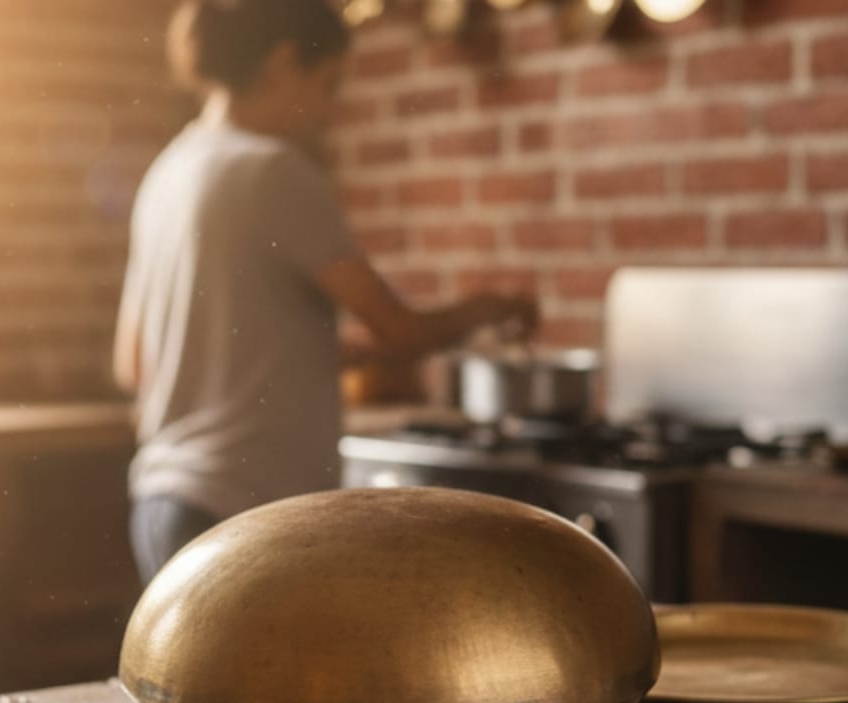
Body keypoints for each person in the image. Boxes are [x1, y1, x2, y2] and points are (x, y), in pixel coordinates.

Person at [113, 0, 537, 585]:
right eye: (329, 83)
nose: (330, 109)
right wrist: (493, 307)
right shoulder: (272, 169)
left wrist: (308, 356)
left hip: (163, 504)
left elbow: (134, 364)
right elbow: (402, 330)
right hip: (240, 511)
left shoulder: (169, 171)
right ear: (284, 62)